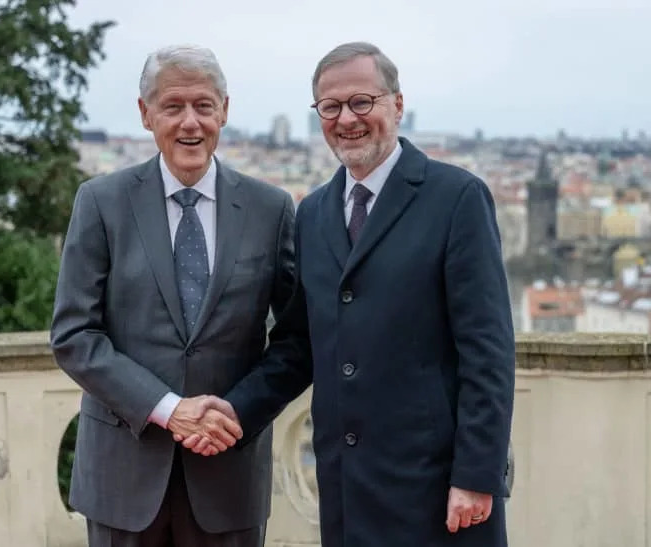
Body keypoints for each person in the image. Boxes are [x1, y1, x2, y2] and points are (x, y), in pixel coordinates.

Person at [185, 41, 516, 547]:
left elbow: (488, 352)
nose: (347, 119)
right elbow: (300, 344)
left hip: (438, 490)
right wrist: (236, 410)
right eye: (331, 107)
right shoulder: (314, 212)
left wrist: (476, 475)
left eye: (362, 101)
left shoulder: (457, 198)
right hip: (345, 487)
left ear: (397, 105)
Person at [50, 44, 296, 547]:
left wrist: (237, 413)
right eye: (173, 106)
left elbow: (296, 339)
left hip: (230, 476)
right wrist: (166, 408)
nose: (190, 123)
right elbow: (74, 334)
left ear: (224, 110)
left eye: (204, 106)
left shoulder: (271, 208)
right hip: (124, 478)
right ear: (146, 114)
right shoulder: (100, 202)